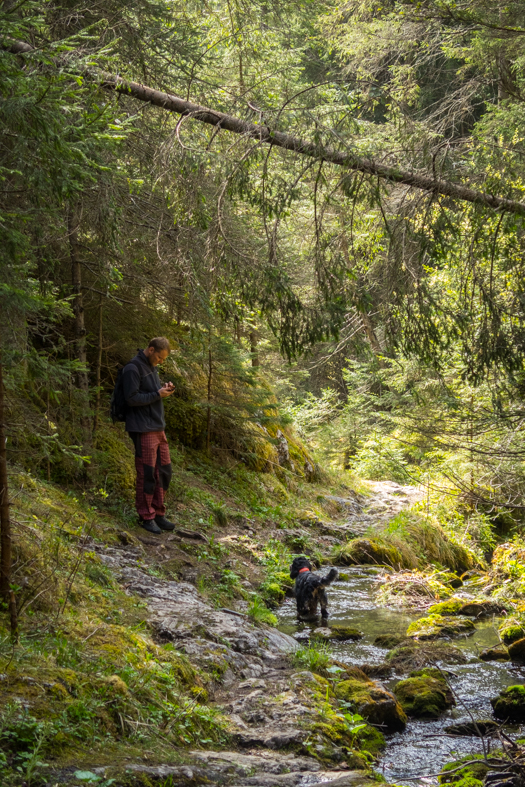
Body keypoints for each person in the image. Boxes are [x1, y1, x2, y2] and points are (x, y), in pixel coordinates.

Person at [122, 337, 176, 534]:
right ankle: (146, 516)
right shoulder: (132, 368)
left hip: (157, 426)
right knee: (147, 473)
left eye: (163, 360)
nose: (161, 362)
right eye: (160, 358)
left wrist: (164, 390)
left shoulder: (151, 367)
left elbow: (151, 392)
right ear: (151, 350)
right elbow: (131, 398)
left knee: (163, 471)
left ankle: (159, 513)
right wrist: (157, 394)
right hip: (142, 427)